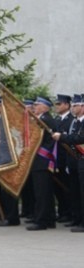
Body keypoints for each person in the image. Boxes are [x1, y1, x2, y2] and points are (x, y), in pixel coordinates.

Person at [53, 93, 84, 232]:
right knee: (75, 192)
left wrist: (62, 137)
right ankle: (77, 219)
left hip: (81, 159)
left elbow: (78, 138)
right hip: (75, 160)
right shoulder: (76, 121)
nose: (74, 108)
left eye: (77, 105)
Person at [27, 96, 58, 231]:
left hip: (42, 160)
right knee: (45, 192)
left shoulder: (45, 120)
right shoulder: (42, 119)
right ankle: (49, 219)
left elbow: (41, 141)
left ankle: (41, 221)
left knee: (42, 193)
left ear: (45, 107)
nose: (35, 106)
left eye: (37, 104)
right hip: (40, 160)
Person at [52, 94, 74, 223]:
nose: (57, 106)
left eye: (59, 104)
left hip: (66, 159)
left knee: (67, 187)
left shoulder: (71, 120)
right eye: (56, 104)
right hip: (56, 159)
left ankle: (69, 212)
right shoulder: (56, 119)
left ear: (67, 105)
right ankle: (61, 212)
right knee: (58, 188)